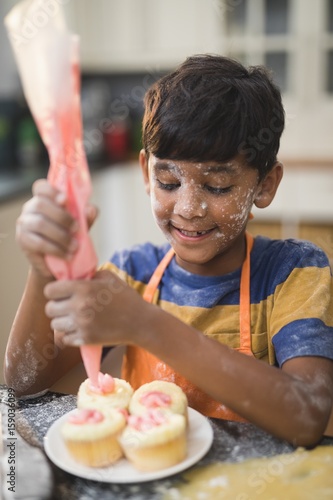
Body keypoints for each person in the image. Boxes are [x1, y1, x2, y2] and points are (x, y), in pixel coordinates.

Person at [4, 55, 333, 447]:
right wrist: (43, 269)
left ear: (264, 184)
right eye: (168, 182)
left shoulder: (293, 272)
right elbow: (24, 381)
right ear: (146, 173)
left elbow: (306, 416)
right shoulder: (130, 274)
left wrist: (145, 324)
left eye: (217, 187)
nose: (188, 208)